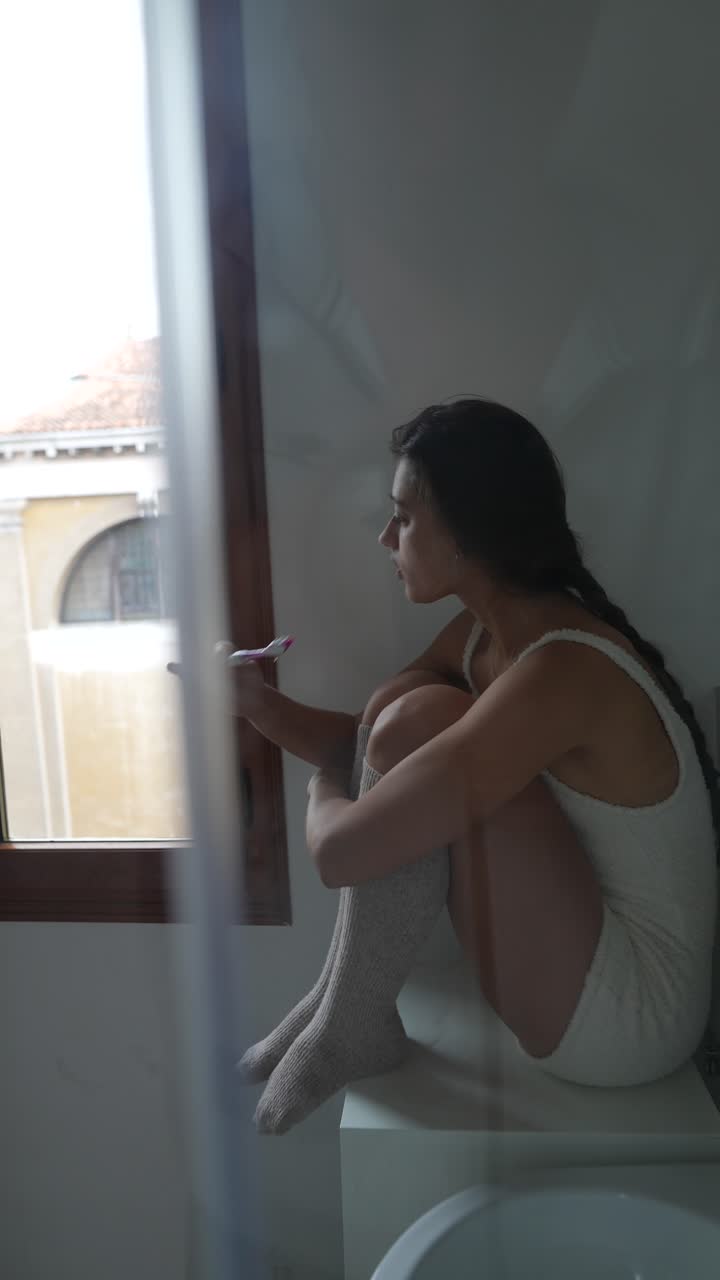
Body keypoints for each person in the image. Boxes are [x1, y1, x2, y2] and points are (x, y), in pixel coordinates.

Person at [226, 399, 718, 1134]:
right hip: (579, 959)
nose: (385, 537)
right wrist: (261, 710)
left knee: (423, 721)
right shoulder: (489, 635)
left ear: (467, 532)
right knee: (412, 719)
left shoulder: (561, 673)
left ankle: (352, 1014)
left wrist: (324, 787)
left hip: (630, 1022)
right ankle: (345, 1000)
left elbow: (341, 851)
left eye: (404, 517)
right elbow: (375, 750)